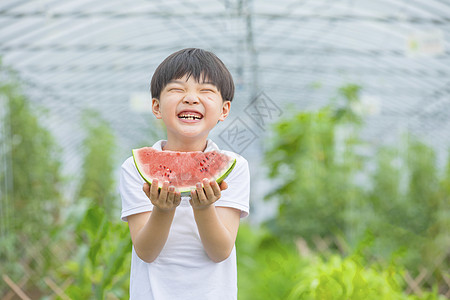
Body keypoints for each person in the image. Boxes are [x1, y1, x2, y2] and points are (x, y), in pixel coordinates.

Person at [119, 48, 250, 300]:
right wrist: (163, 209)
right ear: (156, 106)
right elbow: (146, 252)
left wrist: (203, 209)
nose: (191, 98)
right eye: (177, 89)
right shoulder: (134, 168)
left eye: (206, 91)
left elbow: (220, 251)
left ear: (224, 110)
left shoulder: (235, 167)